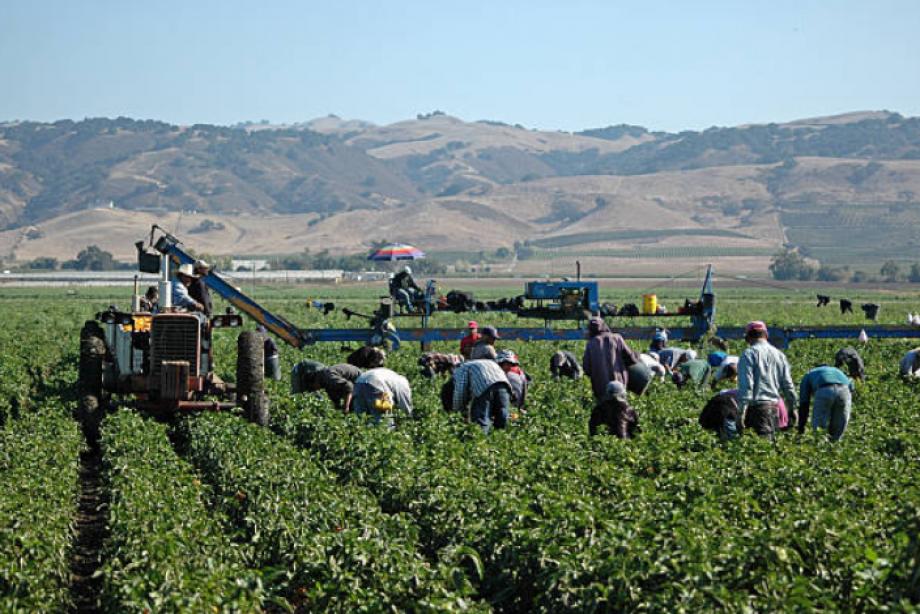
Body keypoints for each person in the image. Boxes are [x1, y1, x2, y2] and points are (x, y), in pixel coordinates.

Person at [737, 321, 797, 439]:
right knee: (770, 447)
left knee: (759, 449)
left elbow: (747, 385)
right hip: (774, 408)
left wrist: (741, 412)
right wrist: (792, 408)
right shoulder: (779, 354)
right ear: (766, 335)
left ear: (748, 337)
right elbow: (788, 384)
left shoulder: (748, 354)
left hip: (757, 409)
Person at [582, 317, 639, 400]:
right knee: (621, 407)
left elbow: (586, 369)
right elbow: (631, 359)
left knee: (605, 409)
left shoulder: (590, 344)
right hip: (619, 383)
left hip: (600, 387)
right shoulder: (617, 338)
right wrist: (637, 355)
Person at [451, 359, 512, 433]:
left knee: (482, 419)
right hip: (503, 384)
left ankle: (481, 440)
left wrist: (458, 412)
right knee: (502, 414)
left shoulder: (460, 370)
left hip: (483, 384)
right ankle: (500, 436)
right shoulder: (481, 363)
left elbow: (460, 393)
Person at [798, 365, 854, 441]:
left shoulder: (809, 374)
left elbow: (804, 403)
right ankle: (835, 446)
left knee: (819, 427)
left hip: (824, 389)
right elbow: (852, 388)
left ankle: (820, 445)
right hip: (844, 390)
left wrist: (801, 428)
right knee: (839, 425)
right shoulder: (838, 371)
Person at [291, 360, 362, 411]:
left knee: (357, 409)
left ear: (315, 381)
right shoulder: (325, 384)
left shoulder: (328, 376)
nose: (315, 390)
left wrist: (346, 407)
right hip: (355, 385)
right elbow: (336, 401)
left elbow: (349, 387)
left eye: (313, 388)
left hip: (362, 382)